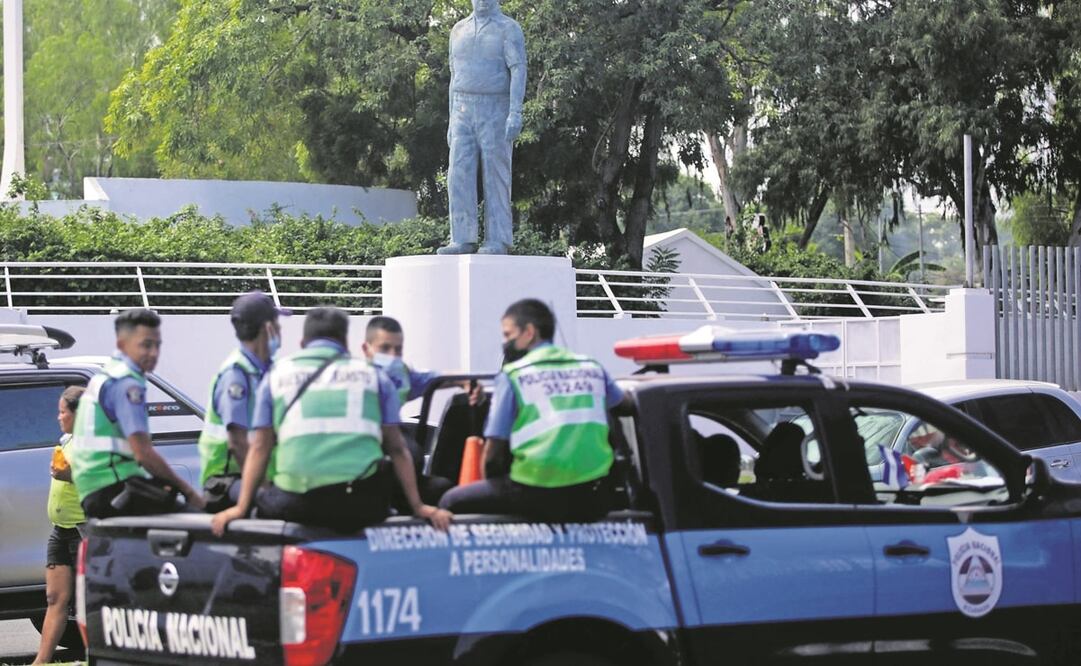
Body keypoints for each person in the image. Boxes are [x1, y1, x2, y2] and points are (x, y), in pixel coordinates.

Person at [211, 307, 452, 535]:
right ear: (346, 343)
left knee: (265, 501)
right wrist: (418, 506)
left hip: (297, 505)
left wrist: (240, 508)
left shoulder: (275, 378)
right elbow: (397, 449)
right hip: (362, 508)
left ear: (303, 344)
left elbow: (260, 448)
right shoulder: (375, 378)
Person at [439, 299, 628, 522]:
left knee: (449, 501)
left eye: (509, 335)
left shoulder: (514, 375)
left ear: (529, 332)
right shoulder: (592, 367)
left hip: (537, 495)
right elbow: (623, 404)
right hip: (594, 498)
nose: (506, 343)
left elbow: (493, 452)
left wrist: (492, 484)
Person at [69, 309, 205, 517]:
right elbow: (144, 454)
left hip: (96, 491)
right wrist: (189, 492)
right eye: (145, 345)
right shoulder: (127, 383)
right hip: (114, 489)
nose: (153, 353)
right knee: (201, 523)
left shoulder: (106, 376)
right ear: (123, 345)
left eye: (157, 345)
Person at [437, 0, 527, 255]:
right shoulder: (458, 30)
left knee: (495, 174)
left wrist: (515, 112)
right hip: (462, 109)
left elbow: (519, 70)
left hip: (495, 107)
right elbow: (454, 77)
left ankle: (498, 239)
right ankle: (462, 238)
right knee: (458, 174)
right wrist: (451, 118)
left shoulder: (508, 28)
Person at [198, 292, 287, 511]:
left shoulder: (264, 371)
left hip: (256, 476)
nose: (281, 329)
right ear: (268, 328)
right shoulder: (236, 374)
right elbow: (238, 442)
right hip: (227, 481)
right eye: (277, 322)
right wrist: (265, 488)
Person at [32, 386, 85, 665]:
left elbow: (102, 480)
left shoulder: (94, 443)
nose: (58, 417)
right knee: (54, 598)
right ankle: (40, 662)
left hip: (83, 529)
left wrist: (70, 474)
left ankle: (100, 657)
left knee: (91, 601)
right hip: (60, 530)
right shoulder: (66, 440)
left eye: (63, 411)